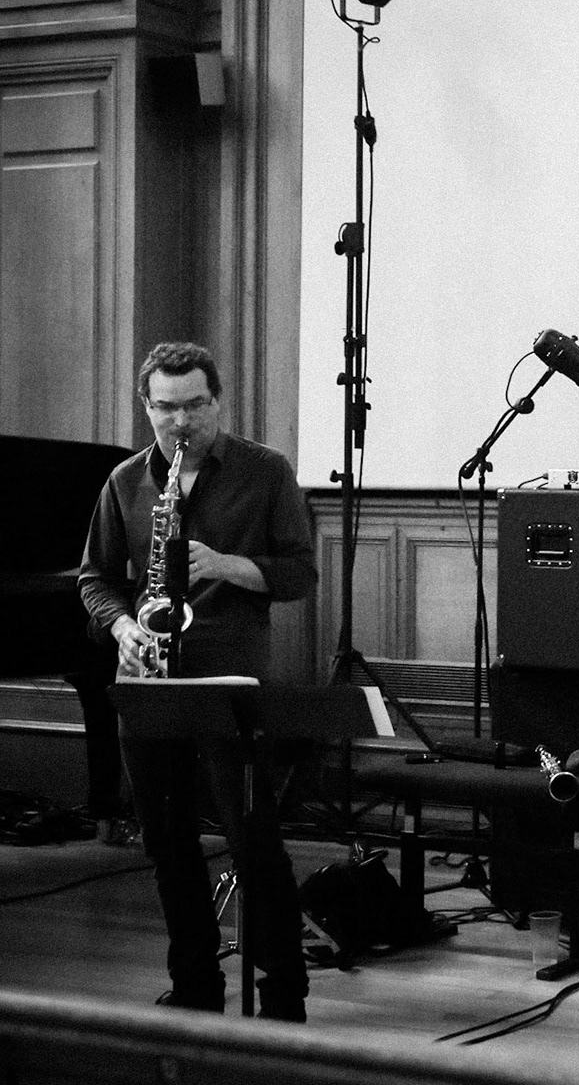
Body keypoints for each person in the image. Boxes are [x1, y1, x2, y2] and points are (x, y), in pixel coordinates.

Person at [78, 342, 318, 1020]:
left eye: (195, 405)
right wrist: (125, 629)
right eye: (166, 408)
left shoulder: (264, 472)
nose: (181, 422)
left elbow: (300, 574)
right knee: (166, 843)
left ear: (217, 400)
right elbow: (95, 579)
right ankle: (194, 981)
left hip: (228, 681)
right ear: (145, 406)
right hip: (149, 682)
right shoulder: (126, 481)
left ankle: (283, 992)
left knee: (254, 842)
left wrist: (227, 565)